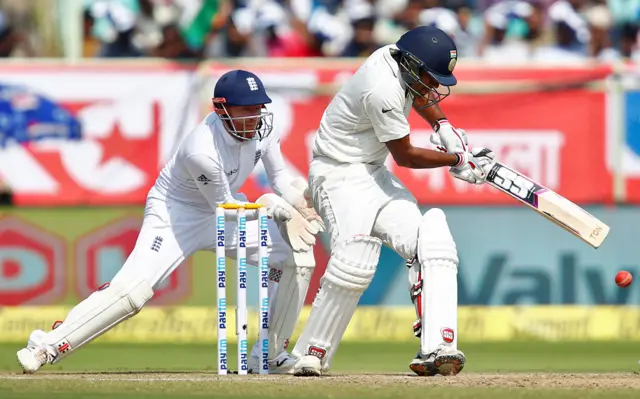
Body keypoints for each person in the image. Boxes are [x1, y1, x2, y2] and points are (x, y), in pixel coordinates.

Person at [16, 69, 324, 375]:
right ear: (220, 109)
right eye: (246, 110)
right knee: (133, 293)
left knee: (297, 256)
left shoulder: (263, 129)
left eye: (258, 109)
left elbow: (279, 176)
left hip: (232, 208)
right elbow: (224, 207)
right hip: (176, 215)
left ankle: (268, 355)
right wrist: (269, 207)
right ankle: (47, 345)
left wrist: (300, 202)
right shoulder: (201, 149)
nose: (254, 117)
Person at [290, 26, 497, 377]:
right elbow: (406, 157)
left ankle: (438, 346)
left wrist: (444, 127)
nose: (435, 86)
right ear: (413, 65)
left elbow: (418, 92)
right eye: (431, 77)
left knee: (431, 239)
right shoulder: (380, 87)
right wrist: (458, 161)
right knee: (353, 259)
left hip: (372, 172)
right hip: (337, 175)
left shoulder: (398, 58)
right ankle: (311, 354)